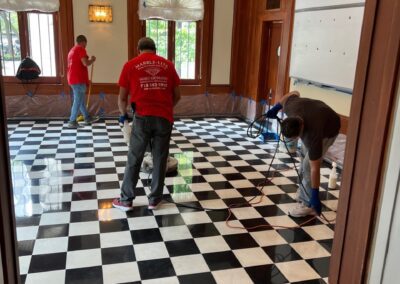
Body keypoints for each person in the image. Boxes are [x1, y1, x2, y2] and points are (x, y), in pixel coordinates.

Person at [113, 37, 181, 211]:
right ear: (155, 50)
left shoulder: (130, 65)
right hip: (164, 118)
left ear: (138, 49)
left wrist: (124, 116)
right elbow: (177, 96)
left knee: (134, 158)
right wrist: (165, 109)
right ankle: (155, 200)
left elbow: (121, 98)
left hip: (142, 117)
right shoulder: (168, 65)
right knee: (160, 158)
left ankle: (126, 200)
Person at [266, 91, 340, 217]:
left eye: (296, 137)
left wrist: (316, 195)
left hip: (330, 128)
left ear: (302, 127)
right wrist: (276, 107)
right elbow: (294, 93)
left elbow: (315, 169)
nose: (296, 140)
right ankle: (305, 192)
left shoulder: (314, 136)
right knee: (303, 158)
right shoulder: (291, 107)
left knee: (307, 166)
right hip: (317, 114)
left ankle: (308, 204)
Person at [67, 35, 99, 128]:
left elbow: (77, 66)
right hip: (78, 80)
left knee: (80, 100)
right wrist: (92, 60)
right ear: (83, 42)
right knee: (78, 100)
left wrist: (86, 79)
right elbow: (85, 63)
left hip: (73, 79)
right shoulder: (80, 49)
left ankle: (87, 117)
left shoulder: (71, 51)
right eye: (85, 44)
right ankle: (72, 121)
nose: (86, 46)